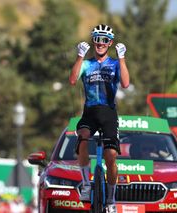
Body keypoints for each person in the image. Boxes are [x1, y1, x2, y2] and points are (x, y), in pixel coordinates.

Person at [69, 24, 130, 213]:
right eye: (97, 39)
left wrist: (122, 58)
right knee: (83, 138)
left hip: (108, 113)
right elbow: (72, 80)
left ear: (110, 43)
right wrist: (79, 56)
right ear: (93, 41)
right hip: (90, 112)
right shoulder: (87, 64)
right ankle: (86, 185)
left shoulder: (113, 63)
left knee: (110, 156)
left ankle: (111, 198)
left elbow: (126, 83)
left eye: (104, 40)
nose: (100, 43)